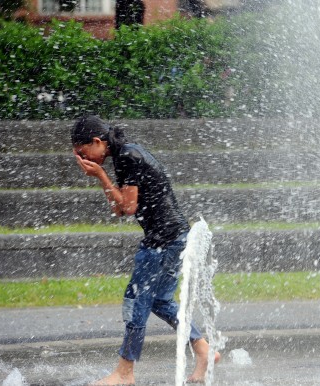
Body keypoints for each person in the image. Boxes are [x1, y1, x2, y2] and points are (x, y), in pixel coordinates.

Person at [71, 115, 220, 385]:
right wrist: (103, 178)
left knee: (136, 300)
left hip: (163, 240)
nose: (85, 160)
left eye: (84, 153)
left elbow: (126, 207)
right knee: (161, 300)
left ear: (96, 141)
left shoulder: (127, 155)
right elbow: (120, 209)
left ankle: (125, 372)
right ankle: (204, 350)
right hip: (175, 237)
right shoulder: (123, 154)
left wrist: (101, 175)